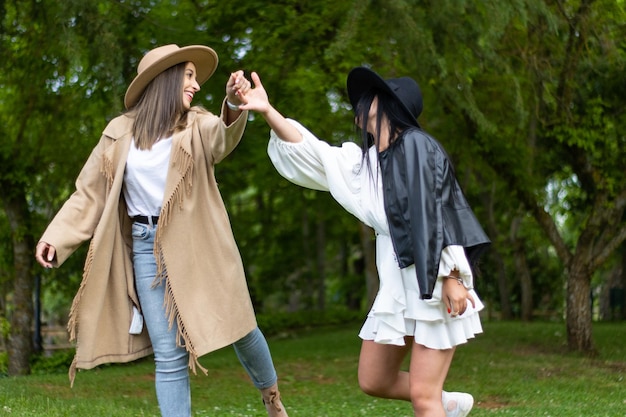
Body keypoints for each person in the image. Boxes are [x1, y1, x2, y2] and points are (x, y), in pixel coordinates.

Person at [34, 44, 289, 417]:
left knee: (241, 327)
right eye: (188, 76)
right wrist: (54, 237)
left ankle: (271, 397)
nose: (196, 85)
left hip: (200, 243)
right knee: (169, 356)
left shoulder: (197, 125)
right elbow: (90, 193)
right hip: (145, 249)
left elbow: (222, 138)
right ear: (164, 80)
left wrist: (234, 105)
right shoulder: (118, 133)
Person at [236, 68, 490, 417]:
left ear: (387, 104)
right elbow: (312, 152)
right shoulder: (365, 163)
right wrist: (267, 111)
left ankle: (434, 402)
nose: (358, 104)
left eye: (367, 97)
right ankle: (447, 403)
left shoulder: (416, 145)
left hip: (434, 276)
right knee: (374, 379)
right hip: (398, 286)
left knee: (422, 396)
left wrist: (454, 276)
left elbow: (437, 212)